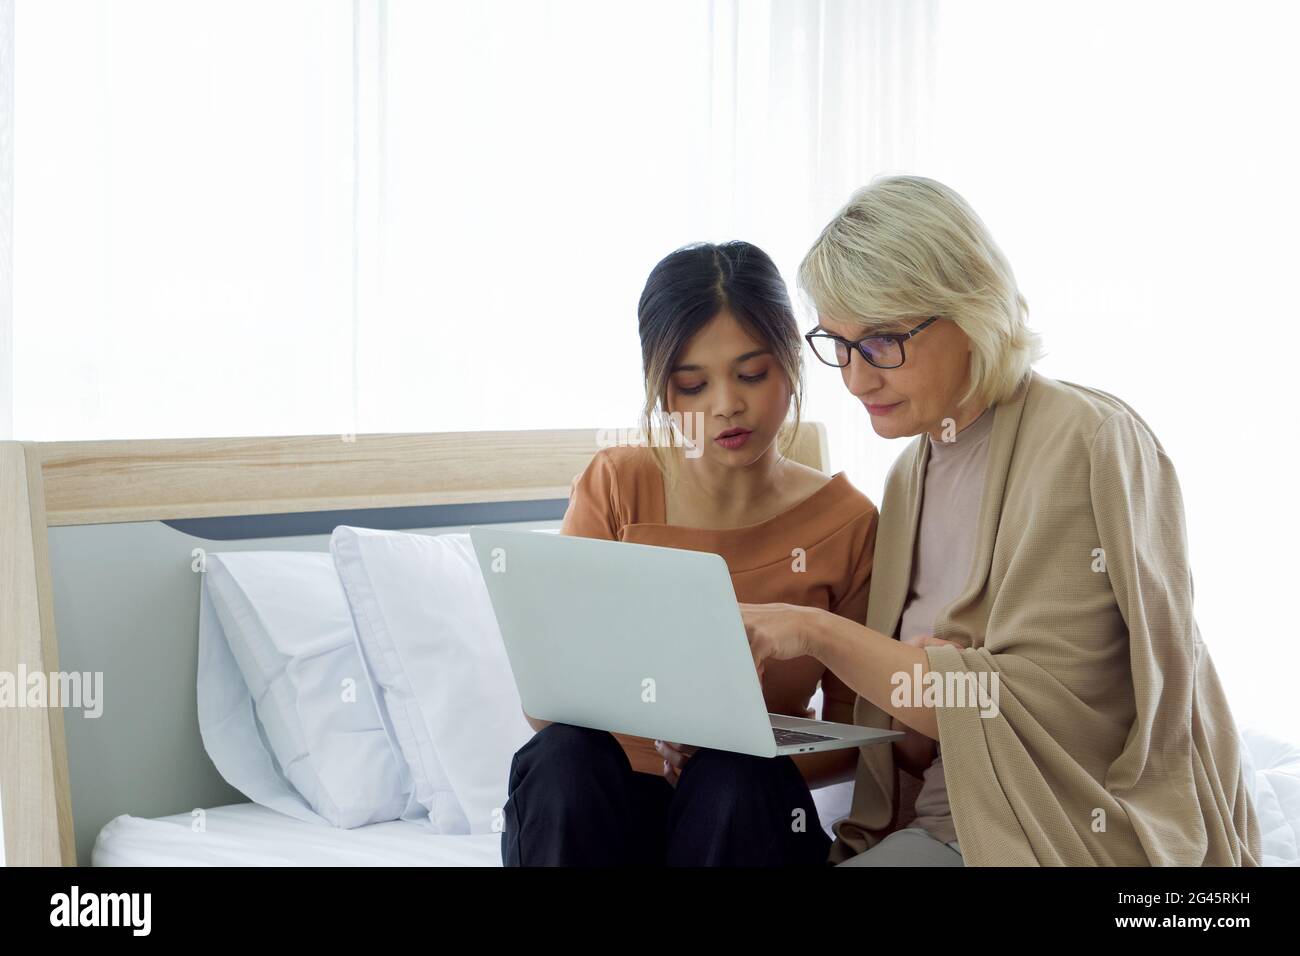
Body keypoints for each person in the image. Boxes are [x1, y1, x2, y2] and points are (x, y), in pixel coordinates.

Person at [739, 175, 1262, 865]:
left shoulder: (1090, 439)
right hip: (938, 826)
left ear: (970, 310)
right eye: (837, 342)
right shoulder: (907, 477)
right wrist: (911, 689)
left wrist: (816, 631)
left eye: (882, 341)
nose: (857, 379)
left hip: (1049, 831)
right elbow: (931, 736)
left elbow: (1043, 715)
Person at [500, 240, 878, 866]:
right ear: (661, 386)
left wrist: (736, 743)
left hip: (745, 817)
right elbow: (546, 703)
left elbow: (856, 739)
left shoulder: (850, 522)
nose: (725, 405)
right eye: (692, 384)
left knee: (737, 774)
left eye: (752, 374)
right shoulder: (619, 485)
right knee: (562, 758)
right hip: (606, 820)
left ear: (792, 361)